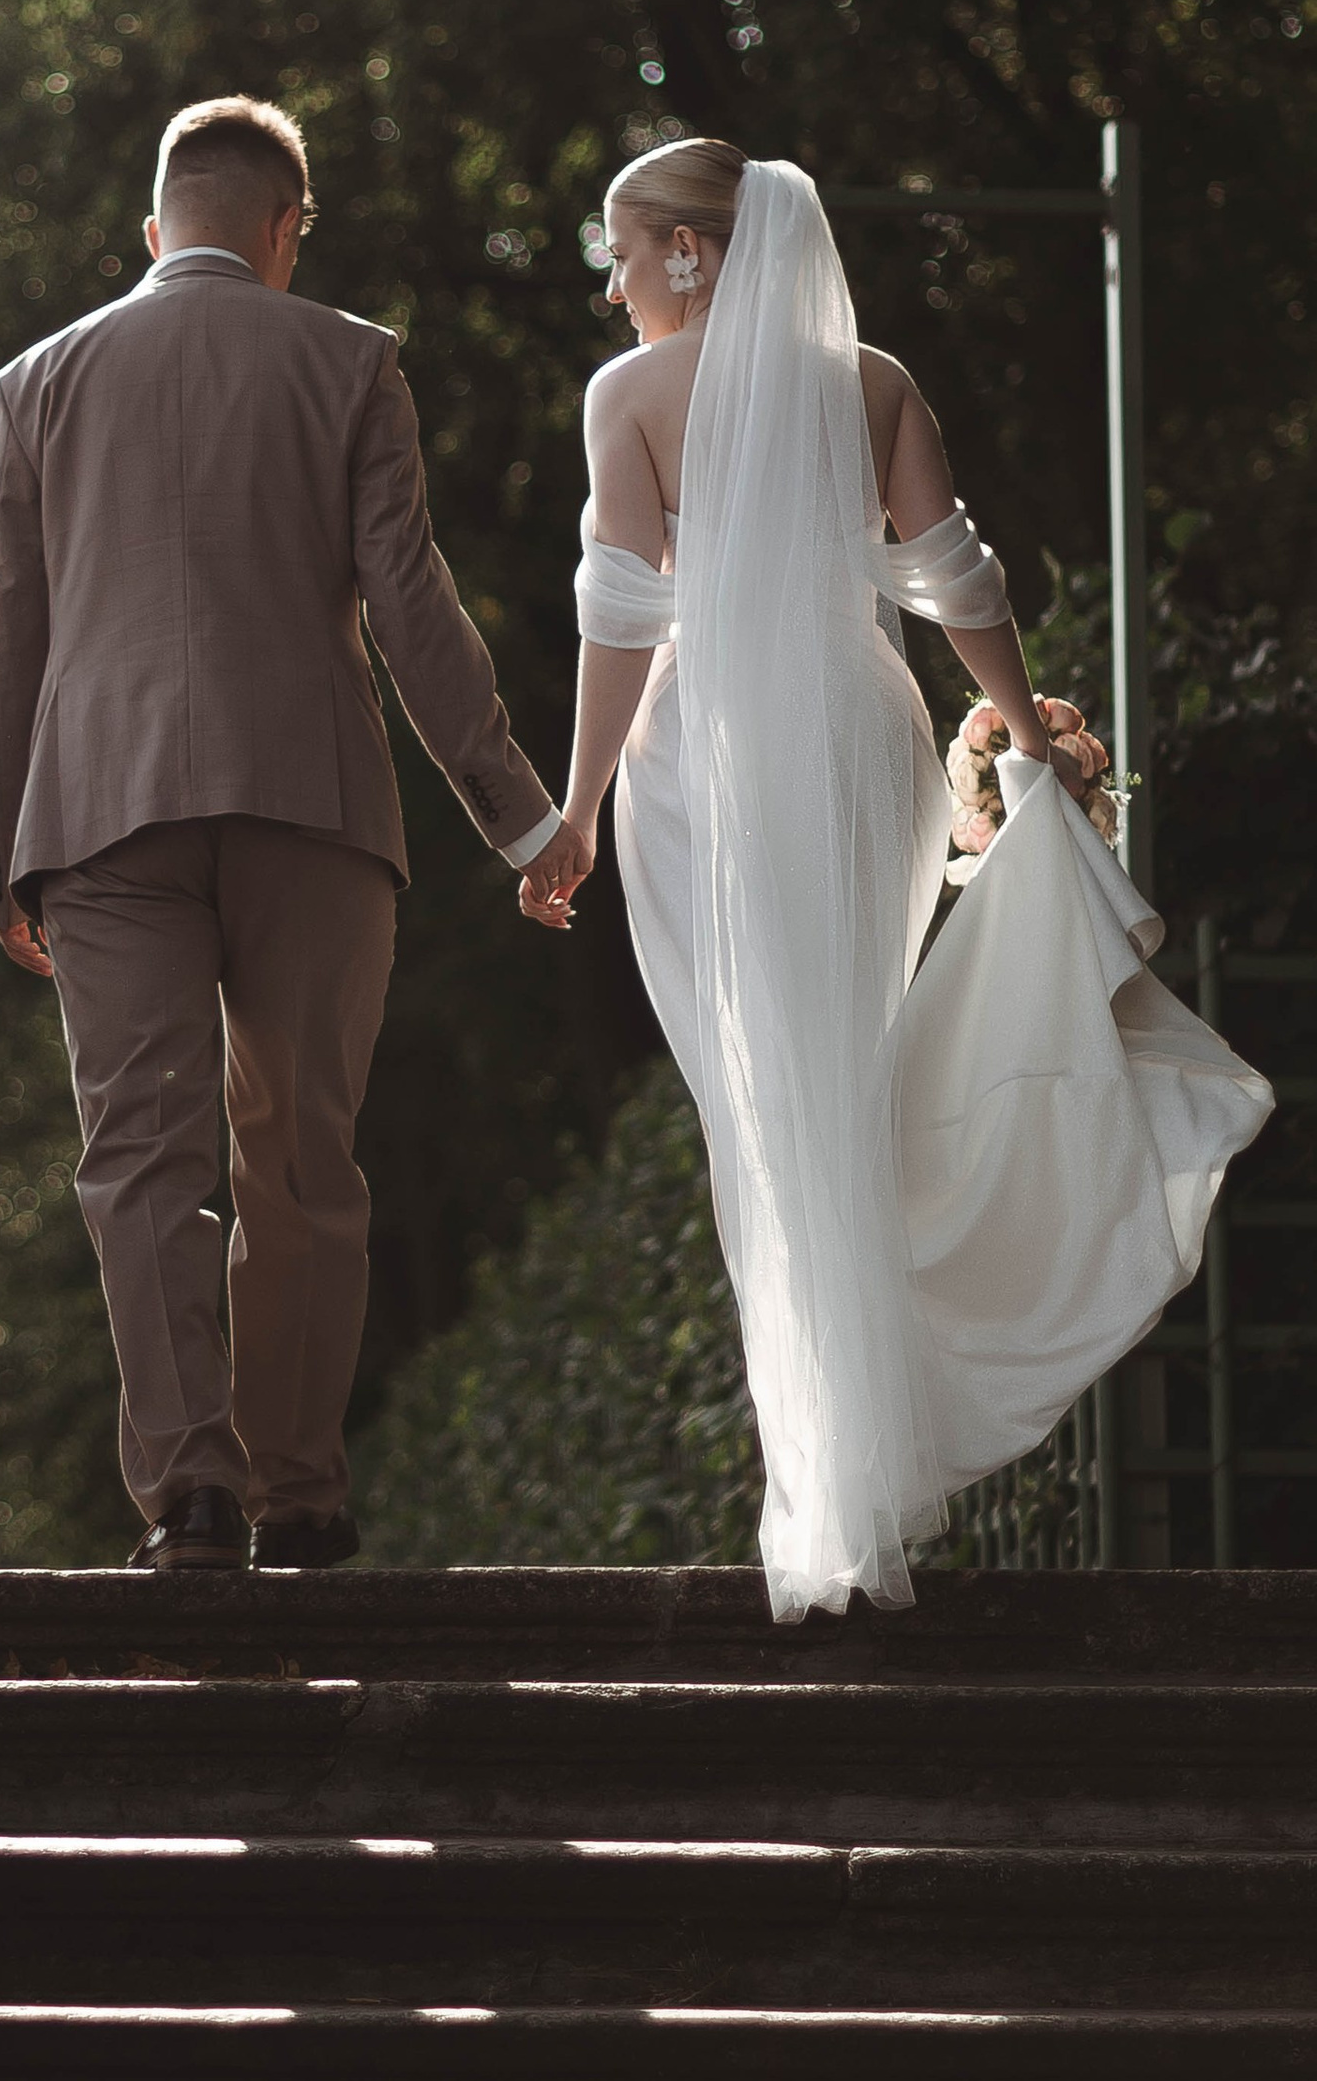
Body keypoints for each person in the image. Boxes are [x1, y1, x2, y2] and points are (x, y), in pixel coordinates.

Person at [539, 138, 1271, 1619]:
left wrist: (578, 805)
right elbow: (955, 573)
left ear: (687, 254)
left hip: (717, 762)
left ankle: (837, 1480)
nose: (608, 284)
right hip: (863, 741)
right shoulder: (871, 378)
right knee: (850, 1079)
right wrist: (1019, 716)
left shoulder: (628, 401)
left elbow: (621, 610)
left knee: (768, 1109)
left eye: (617, 252)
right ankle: (868, 1456)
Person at [0, 96, 584, 1570]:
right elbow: (411, 603)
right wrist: (518, 808)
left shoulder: (33, 384)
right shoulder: (352, 360)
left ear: (156, 226)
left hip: (101, 815)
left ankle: (191, 1490)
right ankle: (300, 1489)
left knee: (141, 1158)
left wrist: (2, 854)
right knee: (302, 1156)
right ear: (287, 228)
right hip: (314, 799)